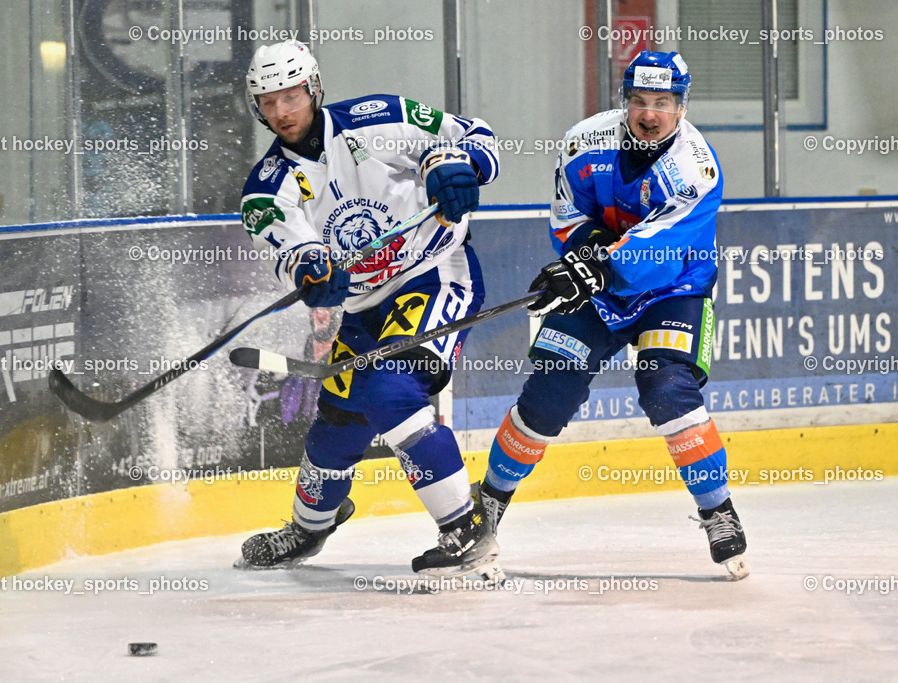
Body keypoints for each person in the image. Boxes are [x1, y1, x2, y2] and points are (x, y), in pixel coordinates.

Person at [473, 50, 749, 579]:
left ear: (682, 107)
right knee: (549, 392)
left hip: (674, 288)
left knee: (668, 388)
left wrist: (596, 263)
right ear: (624, 102)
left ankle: (717, 509)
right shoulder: (583, 142)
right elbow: (566, 214)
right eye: (640, 102)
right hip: (600, 289)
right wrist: (582, 251)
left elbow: (659, 250)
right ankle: (486, 504)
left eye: (663, 104)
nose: (650, 114)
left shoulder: (696, 168)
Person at [236, 40, 502, 579]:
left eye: (291, 95)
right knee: (338, 414)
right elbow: (294, 249)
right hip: (364, 308)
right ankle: (309, 528)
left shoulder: (377, 119)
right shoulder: (266, 190)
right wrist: (312, 271)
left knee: (388, 388)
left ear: (313, 89)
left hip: (435, 274)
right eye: (269, 102)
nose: (283, 111)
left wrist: (456, 165)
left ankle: (466, 531)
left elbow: (477, 137)